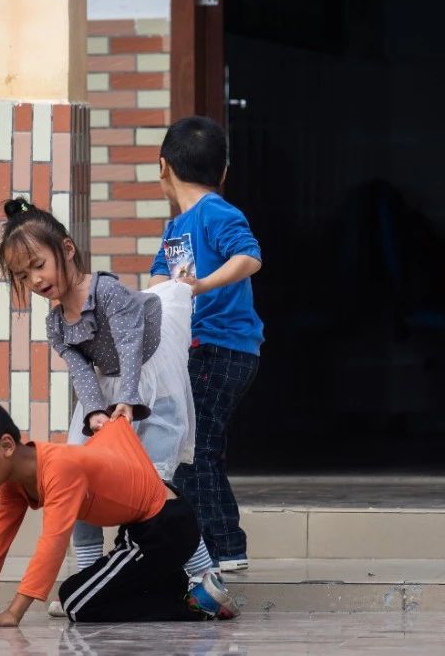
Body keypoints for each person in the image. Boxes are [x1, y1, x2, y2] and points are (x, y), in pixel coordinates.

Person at [0, 197, 233, 610]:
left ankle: (204, 573)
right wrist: (96, 414)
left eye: (38, 265)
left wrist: (128, 401)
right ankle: (88, 571)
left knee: (151, 486)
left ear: (66, 250)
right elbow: (83, 373)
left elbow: (129, 345)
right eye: (22, 275)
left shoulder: (106, 290)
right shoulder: (56, 324)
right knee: (76, 475)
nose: (34, 279)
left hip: (148, 381)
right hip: (106, 391)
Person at [0, 392, 235, 625]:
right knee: (85, 593)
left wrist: (13, 613)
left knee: (76, 600)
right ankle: (167, 585)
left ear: (6, 446)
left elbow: (54, 541)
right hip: (141, 531)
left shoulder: (60, 467)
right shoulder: (16, 480)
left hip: (165, 527)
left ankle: (194, 606)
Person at [149, 116, 263, 571]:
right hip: (202, 348)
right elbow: (159, 279)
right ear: (223, 169)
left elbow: (249, 256)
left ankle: (224, 548)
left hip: (223, 347)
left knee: (196, 449)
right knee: (193, 448)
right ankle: (215, 547)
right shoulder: (176, 226)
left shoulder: (216, 211)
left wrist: (198, 287)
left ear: (163, 168)